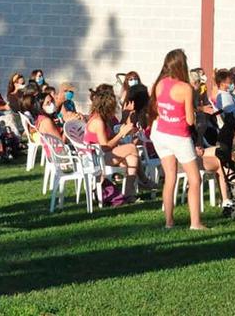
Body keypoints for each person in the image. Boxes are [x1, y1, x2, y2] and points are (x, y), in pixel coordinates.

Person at [149, 49, 207, 230]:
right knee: (195, 179)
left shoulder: (159, 84)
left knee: (170, 178)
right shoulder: (185, 88)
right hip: (178, 136)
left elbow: (160, 109)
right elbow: (190, 120)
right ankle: (195, 223)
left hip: (160, 134)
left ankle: (169, 222)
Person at [85, 86, 152, 199]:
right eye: (113, 107)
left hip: (102, 156)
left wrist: (124, 124)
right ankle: (144, 181)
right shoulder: (98, 122)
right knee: (131, 148)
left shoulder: (102, 119)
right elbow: (105, 146)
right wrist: (121, 133)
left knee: (132, 158)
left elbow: (112, 139)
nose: (115, 110)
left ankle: (129, 194)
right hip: (96, 159)